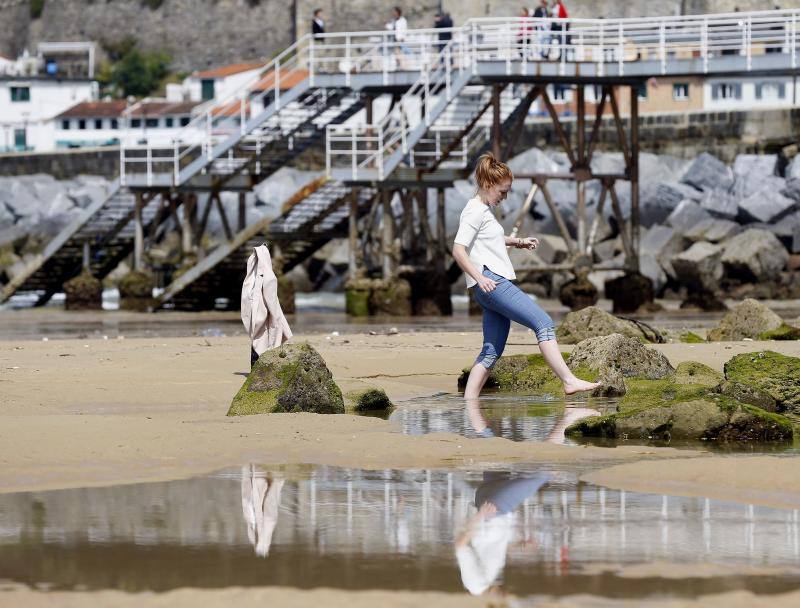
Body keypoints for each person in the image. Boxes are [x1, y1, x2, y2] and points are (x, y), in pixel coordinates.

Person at [452, 153, 601, 399]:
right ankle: (569, 380)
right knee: (543, 324)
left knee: (491, 351)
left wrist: (518, 242)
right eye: (502, 191)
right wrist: (480, 277)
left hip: (487, 286)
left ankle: (469, 406)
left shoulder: (480, 210)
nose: (504, 197)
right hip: (492, 280)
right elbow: (458, 250)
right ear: (488, 185)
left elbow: (488, 239)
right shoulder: (475, 211)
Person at [456, 470, 550, 595]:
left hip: (494, 509)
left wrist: (480, 515)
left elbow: (460, 547)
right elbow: (493, 547)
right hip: (494, 504)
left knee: (544, 476)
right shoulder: (489, 580)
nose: (507, 596)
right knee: (497, 464)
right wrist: (520, 545)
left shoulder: (476, 586)